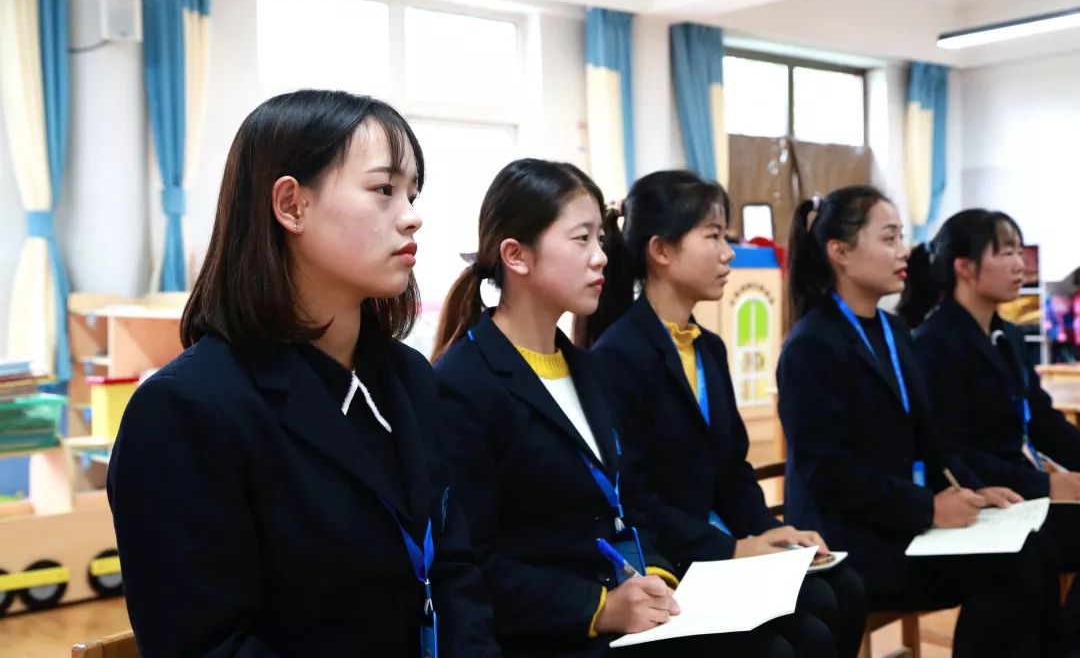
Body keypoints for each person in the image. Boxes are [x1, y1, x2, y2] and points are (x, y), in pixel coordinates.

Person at [108, 90, 500, 658]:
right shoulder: (186, 411)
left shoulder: (410, 379)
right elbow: (208, 645)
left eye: (412, 193)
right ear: (291, 205)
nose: (412, 214)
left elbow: (456, 573)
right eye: (383, 189)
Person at [431, 159, 793, 657]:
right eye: (581, 240)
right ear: (516, 256)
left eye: (600, 240)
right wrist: (598, 607)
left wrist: (656, 576)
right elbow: (471, 565)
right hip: (550, 631)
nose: (601, 257)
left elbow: (624, 504)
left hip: (620, 603)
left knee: (793, 632)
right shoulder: (464, 382)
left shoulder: (584, 368)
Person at [584, 170, 865, 658]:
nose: (728, 252)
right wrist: (733, 549)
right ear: (661, 250)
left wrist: (766, 534)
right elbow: (635, 499)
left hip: (718, 549)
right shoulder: (618, 356)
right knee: (802, 633)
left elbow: (732, 468)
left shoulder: (708, 347)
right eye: (713, 236)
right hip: (670, 561)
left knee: (841, 588)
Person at [778, 186, 1061, 658]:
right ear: (841, 253)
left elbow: (934, 441)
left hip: (904, 522)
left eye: (902, 238)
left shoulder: (893, 331)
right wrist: (928, 509)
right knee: (1013, 570)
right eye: (888, 239)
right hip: (853, 541)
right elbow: (831, 476)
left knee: (1033, 551)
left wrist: (976, 490)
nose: (902, 252)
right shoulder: (812, 345)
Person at [901, 208, 1080, 651]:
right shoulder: (934, 343)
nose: (1022, 264)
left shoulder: (1009, 336)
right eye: (1007, 253)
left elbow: (1041, 421)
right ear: (964, 267)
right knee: (1022, 566)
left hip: (1020, 489)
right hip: (982, 496)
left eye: (1021, 252)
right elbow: (949, 451)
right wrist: (1047, 486)